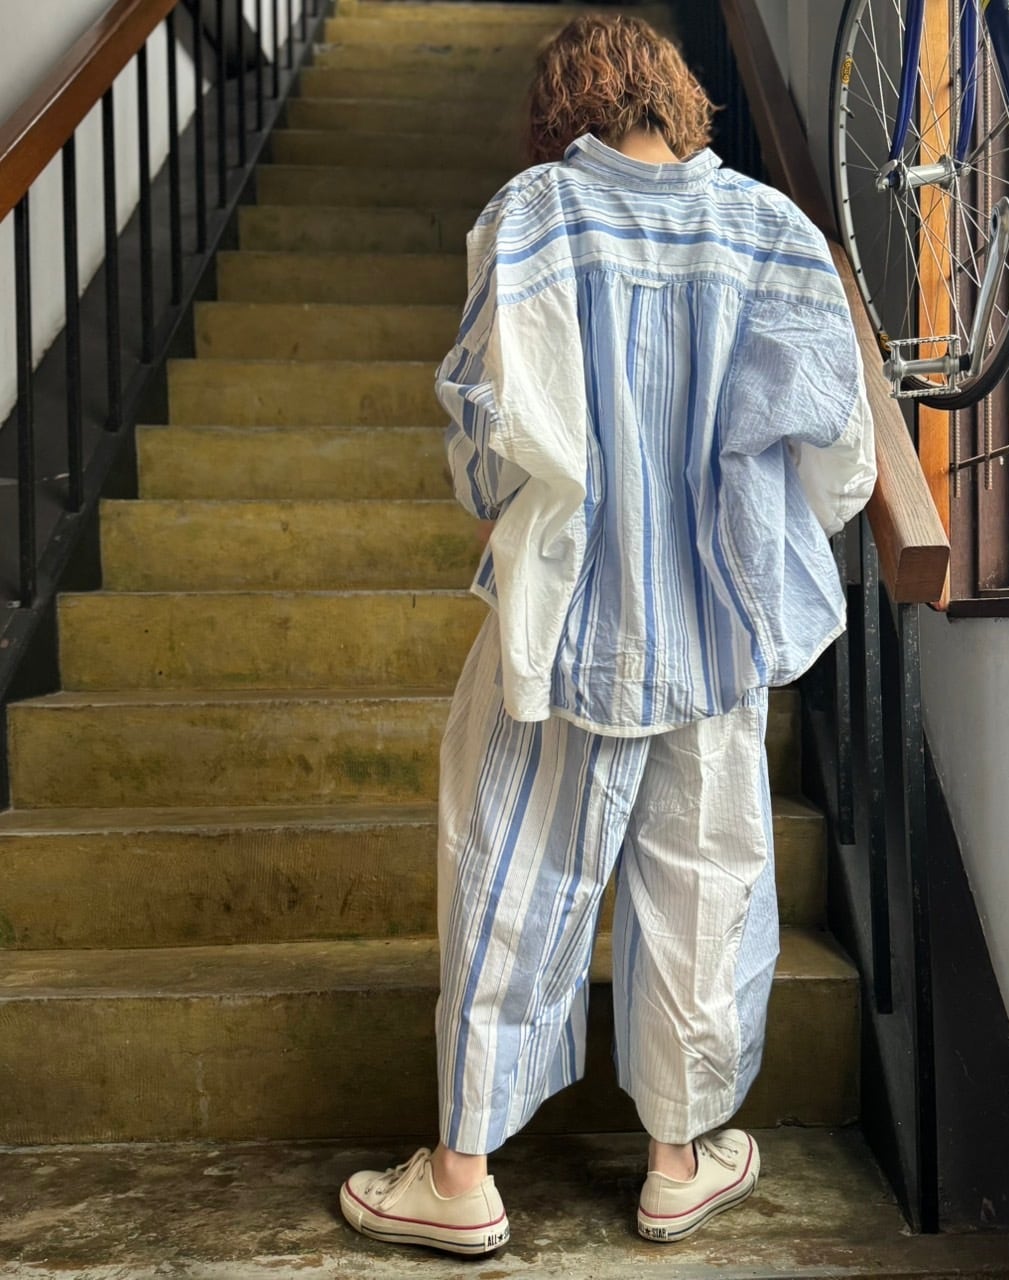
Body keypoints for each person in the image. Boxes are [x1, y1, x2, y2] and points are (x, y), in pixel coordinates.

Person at [338, 13, 875, 1256]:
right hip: (710, 633)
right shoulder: (771, 231)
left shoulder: (532, 216)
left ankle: (463, 1173)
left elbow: (489, 434)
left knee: (508, 869)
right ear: (675, 94)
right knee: (704, 885)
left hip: (563, 626)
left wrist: (505, 503)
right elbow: (836, 456)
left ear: (559, 106)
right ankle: (677, 1163)